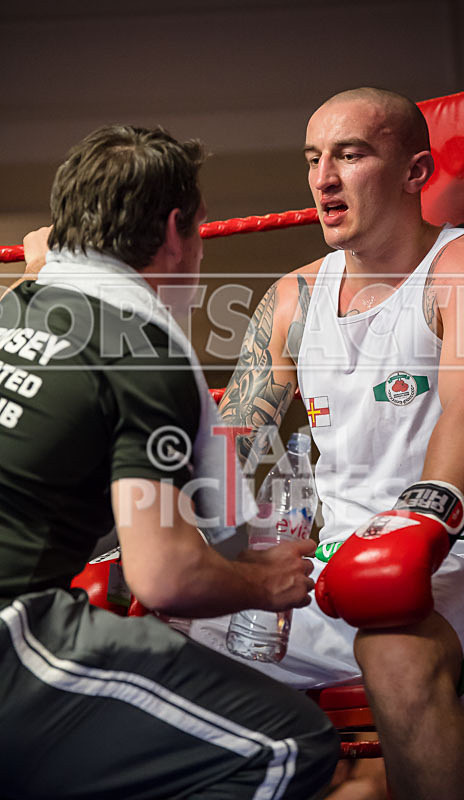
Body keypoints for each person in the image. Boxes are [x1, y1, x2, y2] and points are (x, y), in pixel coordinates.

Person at [190, 89, 464, 800]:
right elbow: (237, 443)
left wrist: (414, 527)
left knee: (396, 648)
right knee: (144, 636)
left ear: (414, 172)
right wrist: (167, 534)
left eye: (350, 154)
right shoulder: (293, 297)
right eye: (314, 158)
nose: (323, 178)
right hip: (328, 568)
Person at [0, 125, 340, 799]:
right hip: (13, 640)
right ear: (178, 228)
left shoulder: (16, 303)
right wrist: (264, 587)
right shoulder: (143, 357)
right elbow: (167, 575)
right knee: (288, 743)